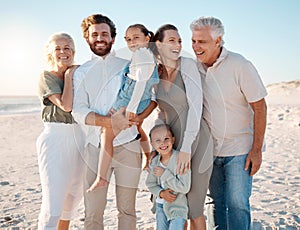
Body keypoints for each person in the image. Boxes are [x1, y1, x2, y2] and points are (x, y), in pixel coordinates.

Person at [72, 14, 153, 229]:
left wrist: (141, 117)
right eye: (95, 34)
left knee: (127, 210)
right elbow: (78, 110)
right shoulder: (80, 73)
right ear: (87, 38)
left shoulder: (129, 64)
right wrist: (109, 123)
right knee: (92, 213)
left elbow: (147, 94)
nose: (100, 38)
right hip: (94, 148)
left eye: (105, 34)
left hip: (128, 145)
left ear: (113, 38)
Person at [190, 16, 267, 229]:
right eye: (193, 40)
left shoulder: (240, 65)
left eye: (202, 42)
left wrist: (256, 150)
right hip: (210, 151)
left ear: (218, 41)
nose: (196, 47)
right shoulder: (192, 67)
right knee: (215, 203)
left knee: (237, 204)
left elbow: (259, 106)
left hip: (240, 150)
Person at [151, 24, 214, 230]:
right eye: (171, 40)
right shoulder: (156, 73)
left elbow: (196, 105)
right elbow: (161, 112)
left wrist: (186, 147)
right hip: (170, 144)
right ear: (158, 45)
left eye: (179, 40)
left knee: (194, 206)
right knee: (176, 202)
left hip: (196, 141)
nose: (178, 45)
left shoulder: (186, 64)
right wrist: (156, 143)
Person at [87, 24, 159, 191]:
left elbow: (140, 82)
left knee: (107, 134)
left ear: (147, 38)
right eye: (128, 39)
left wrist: (131, 108)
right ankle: (148, 158)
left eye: (136, 38)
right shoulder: (143, 55)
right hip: (138, 99)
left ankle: (101, 177)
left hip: (129, 101)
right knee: (138, 129)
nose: (132, 42)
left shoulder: (143, 55)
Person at [36, 32, 84, 230]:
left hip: (79, 138)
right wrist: (69, 75)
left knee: (71, 201)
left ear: (73, 51)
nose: (63, 52)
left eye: (67, 48)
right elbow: (66, 105)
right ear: (50, 53)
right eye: (58, 48)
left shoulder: (80, 74)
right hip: (55, 138)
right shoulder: (46, 77)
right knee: (53, 203)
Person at [146, 124, 191, 230]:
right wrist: (161, 193)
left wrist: (165, 174)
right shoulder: (155, 162)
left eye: (166, 138)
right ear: (152, 144)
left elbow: (184, 187)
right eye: (158, 140)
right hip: (160, 207)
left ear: (173, 140)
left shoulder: (180, 160)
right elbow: (150, 184)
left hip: (177, 208)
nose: (163, 143)